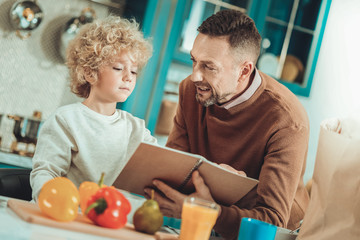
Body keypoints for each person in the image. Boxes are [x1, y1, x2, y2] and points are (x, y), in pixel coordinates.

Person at [146, 9, 310, 240]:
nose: (194, 76)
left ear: (244, 70)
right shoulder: (190, 90)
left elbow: (271, 220)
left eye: (209, 67)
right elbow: (175, 171)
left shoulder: (287, 119)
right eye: (194, 61)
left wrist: (207, 210)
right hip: (207, 226)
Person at [30, 16, 157, 200]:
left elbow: (162, 168)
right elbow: (46, 173)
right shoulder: (66, 120)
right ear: (90, 73)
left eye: (134, 71)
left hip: (108, 221)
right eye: (118, 68)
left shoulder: (136, 129)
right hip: (67, 217)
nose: (129, 77)